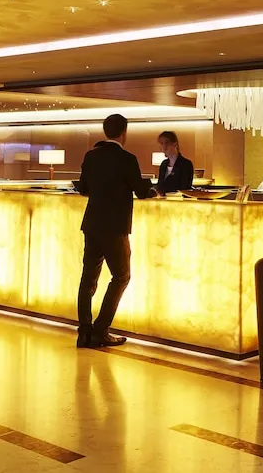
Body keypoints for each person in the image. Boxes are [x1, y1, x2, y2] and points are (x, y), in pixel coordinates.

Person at [73, 114, 155, 348]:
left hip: (92, 225)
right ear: (124, 133)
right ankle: (100, 330)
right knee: (121, 277)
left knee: (88, 278)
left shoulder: (91, 156)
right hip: (115, 228)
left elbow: (83, 188)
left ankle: (84, 332)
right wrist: (153, 191)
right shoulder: (127, 159)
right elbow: (140, 191)